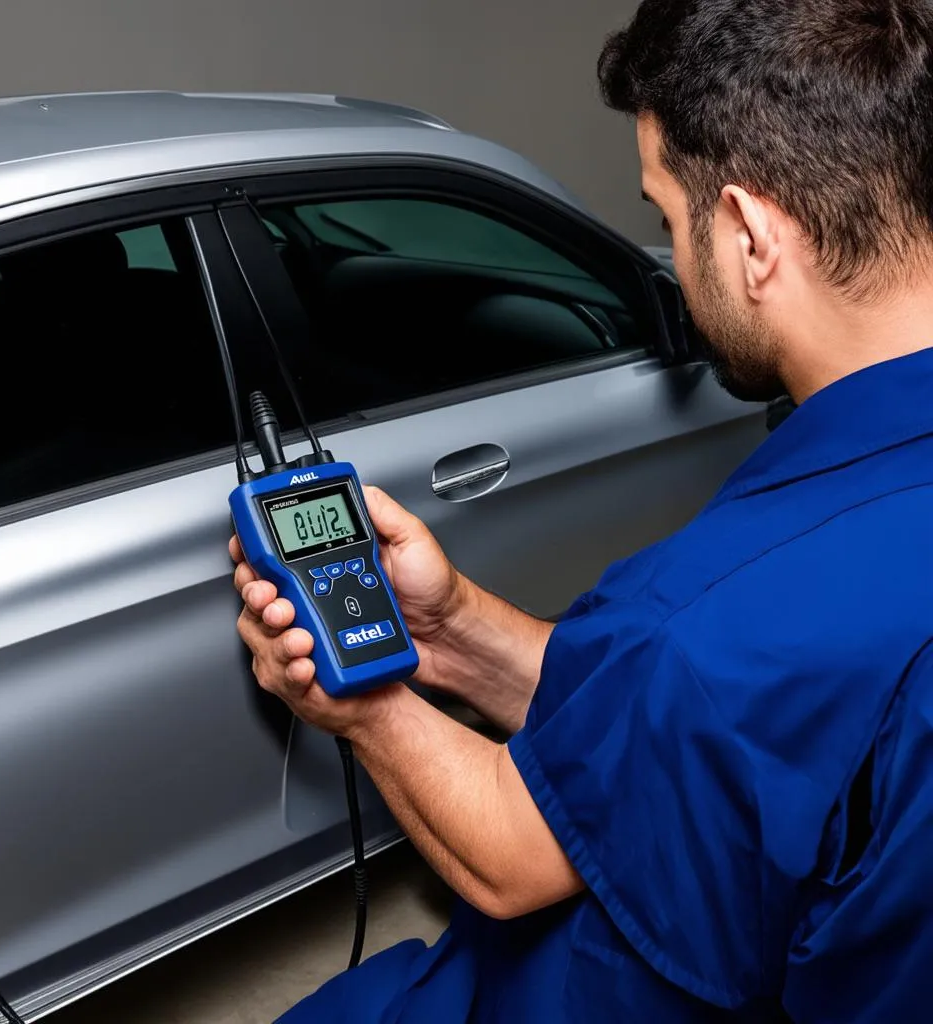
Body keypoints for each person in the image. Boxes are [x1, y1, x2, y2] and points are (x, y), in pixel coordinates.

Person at [230, 1, 933, 1019]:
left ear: (745, 232)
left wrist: (356, 703)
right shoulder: (721, 634)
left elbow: (511, 855)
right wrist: (454, 628)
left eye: (665, 219)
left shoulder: (701, 611)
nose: (673, 263)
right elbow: (697, 727)